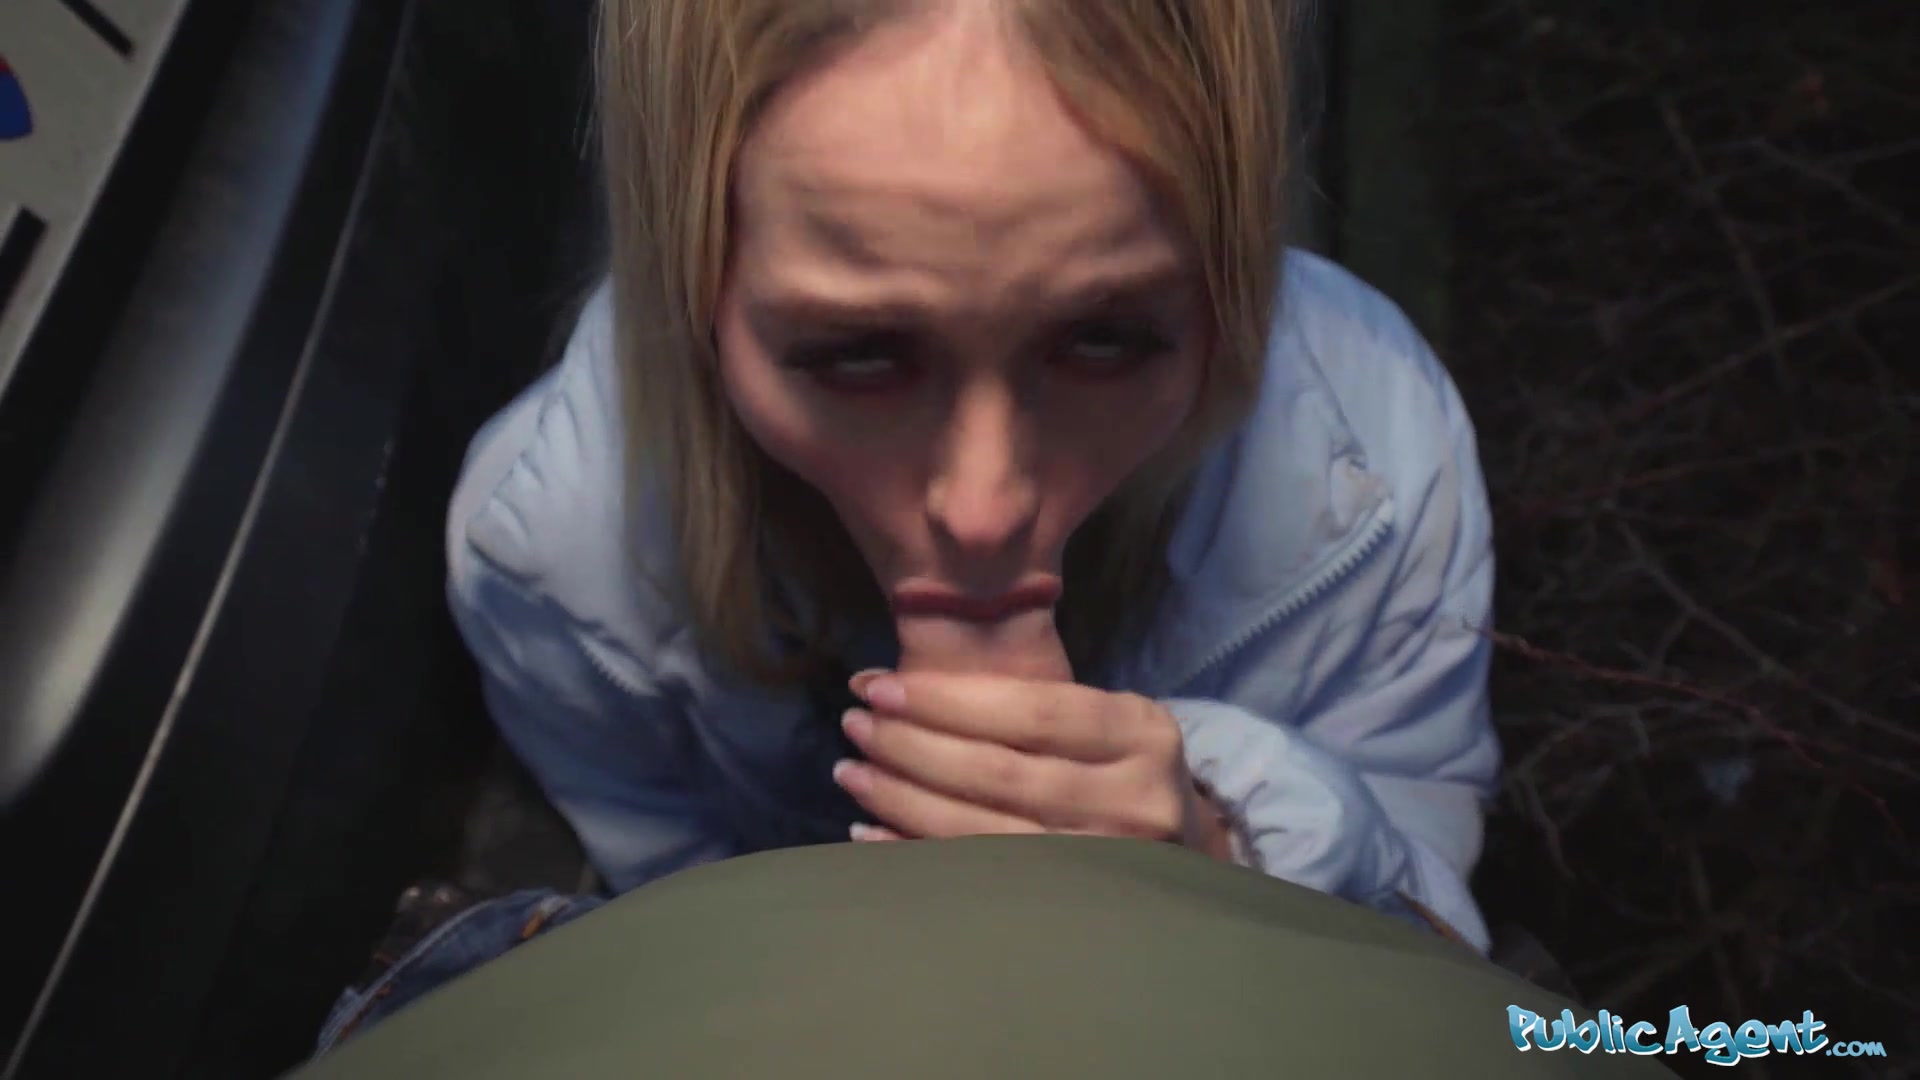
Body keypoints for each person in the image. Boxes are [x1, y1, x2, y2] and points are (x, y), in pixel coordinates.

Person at [319, 0, 1501, 1051]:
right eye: (859, 355)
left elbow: (1439, 941)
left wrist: (1235, 847)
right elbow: (662, 869)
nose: (982, 510)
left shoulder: (1371, 473)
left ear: (1225, 276)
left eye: (1104, 340)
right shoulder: (552, 552)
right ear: (700, 282)